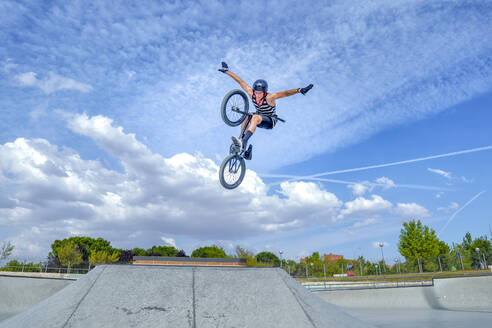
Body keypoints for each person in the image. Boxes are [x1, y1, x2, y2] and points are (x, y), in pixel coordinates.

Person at [218, 62, 313, 157]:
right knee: (248, 116)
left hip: (270, 120)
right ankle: (242, 145)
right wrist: (227, 71)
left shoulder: (269, 97)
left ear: (264, 92)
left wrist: (299, 90)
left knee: (255, 117)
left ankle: (243, 142)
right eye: (256, 93)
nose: (258, 95)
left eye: (260, 93)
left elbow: (285, 93)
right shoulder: (251, 93)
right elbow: (240, 82)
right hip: (259, 117)